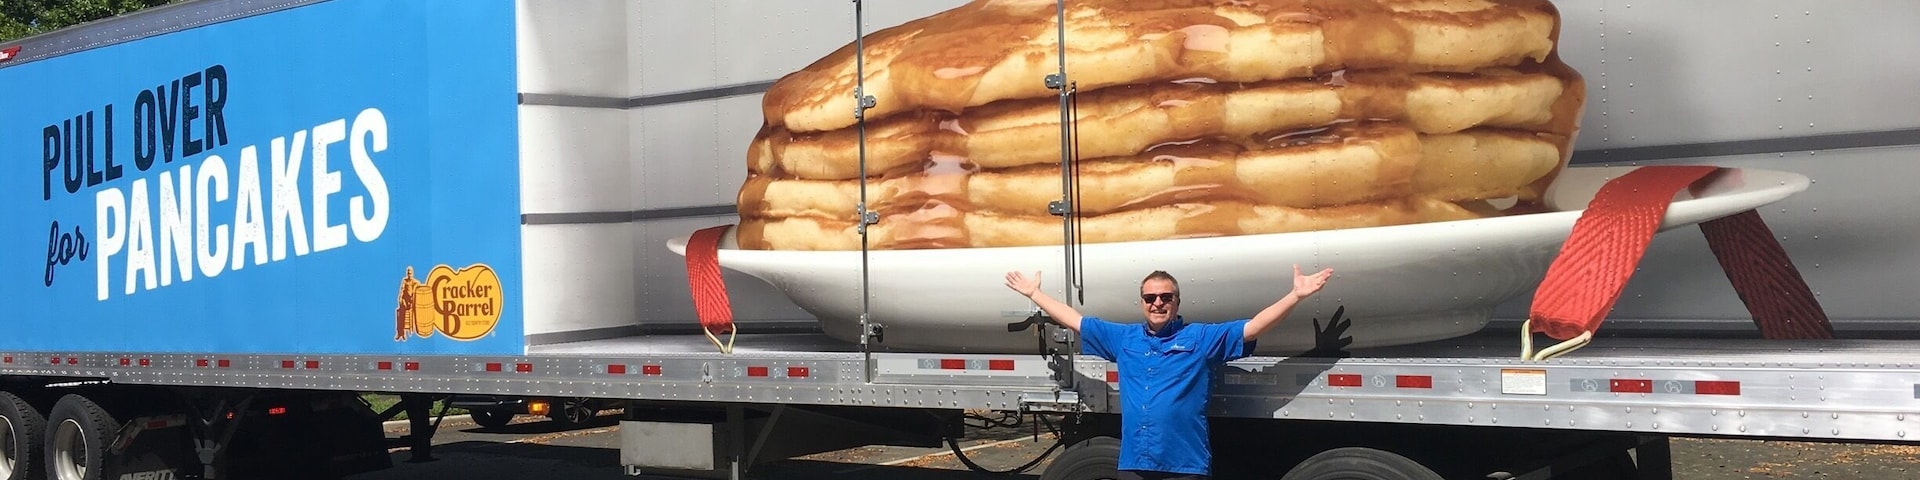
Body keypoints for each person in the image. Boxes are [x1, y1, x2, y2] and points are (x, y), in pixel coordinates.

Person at [1004, 265, 1334, 480]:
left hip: (1185, 466)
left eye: (1165, 297)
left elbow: (1251, 328)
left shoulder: (1200, 338)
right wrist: (1035, 294)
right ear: (1142, 302)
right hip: (1135, 465)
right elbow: (1074, 320)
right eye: (1150, 297)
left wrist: (1295, 296)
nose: (1157, 303)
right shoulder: (1124, 338)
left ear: (1177, 301)